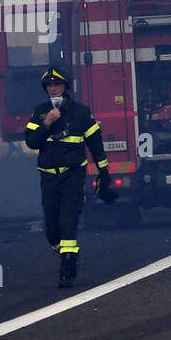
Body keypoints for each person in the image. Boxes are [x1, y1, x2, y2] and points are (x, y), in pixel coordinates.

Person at [24, 67, 110, 287]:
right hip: (48, 177)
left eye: (57, 85)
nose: (53, 89)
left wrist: (104, 172)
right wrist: (47, 123)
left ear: (65, 87)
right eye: (49, 85)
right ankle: (66, 252)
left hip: (73, 175)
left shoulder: (81, 112)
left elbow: (96, 144)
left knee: (68, 218)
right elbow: (32, 142)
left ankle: (67, 266)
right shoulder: (40, 111)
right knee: (51, 227)